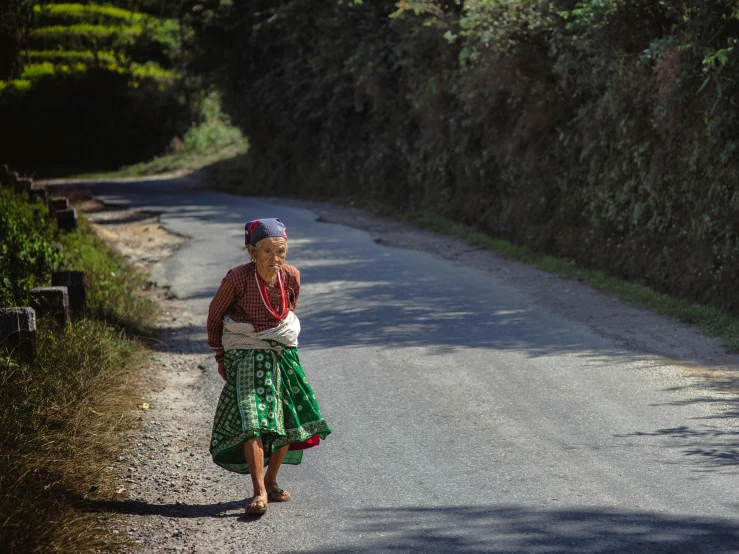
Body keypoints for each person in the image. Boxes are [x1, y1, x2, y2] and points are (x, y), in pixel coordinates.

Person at [206, 218, 332, 515]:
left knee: (286, 417)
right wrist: (220, 356)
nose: (276, 259)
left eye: (281, 251)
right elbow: (215, 317)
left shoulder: (291, 276)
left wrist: (276, 339)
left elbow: (289, 311)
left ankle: (272, 480)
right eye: (268, 252)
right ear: (252, 253)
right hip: (246, 354)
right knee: (254, 419)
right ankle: (259, 491)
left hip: (280, 354)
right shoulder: (236, 279)